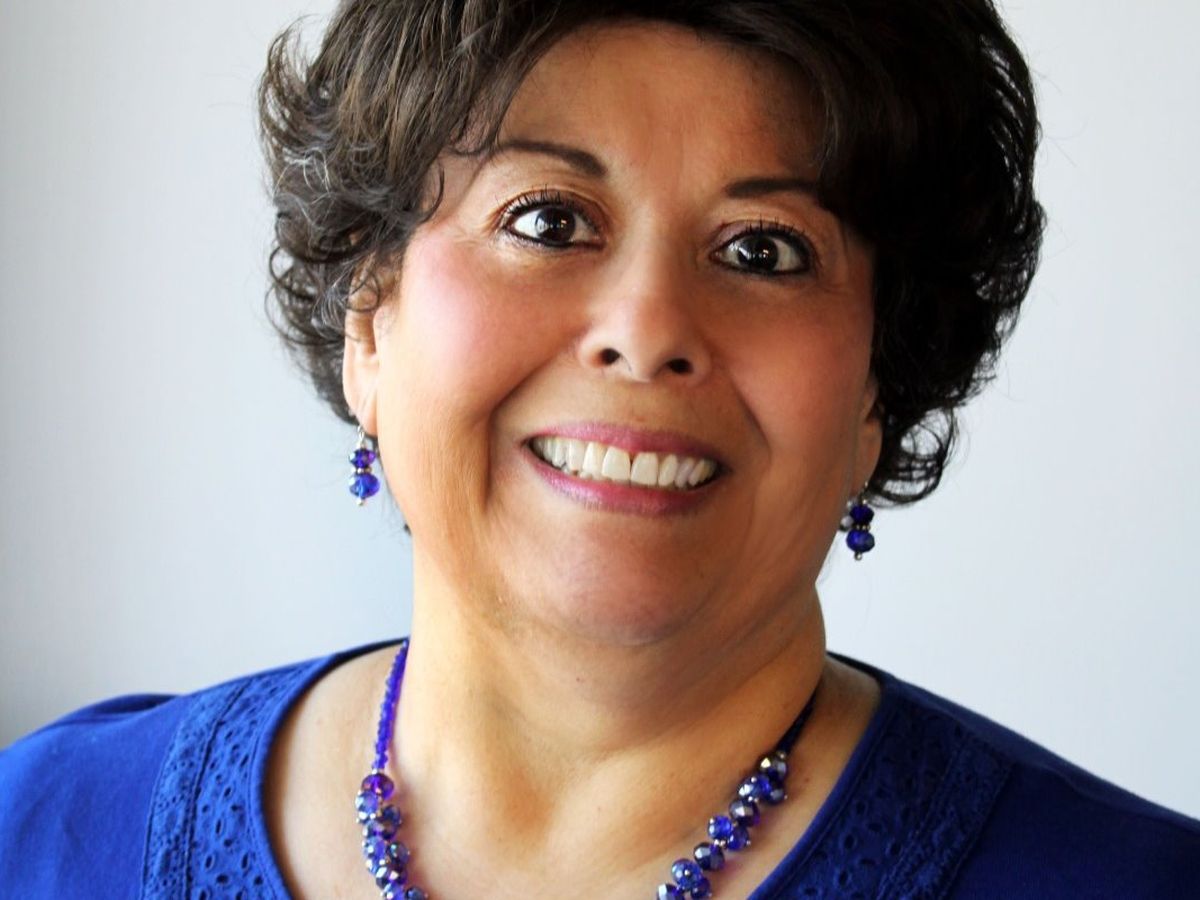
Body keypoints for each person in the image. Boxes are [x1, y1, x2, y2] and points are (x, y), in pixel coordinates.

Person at [2, 0, 1198, 897]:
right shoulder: (44, 833)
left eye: (764, 250)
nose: (649, 328)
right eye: (548, 220)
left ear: (878, 393)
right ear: (369, 321)